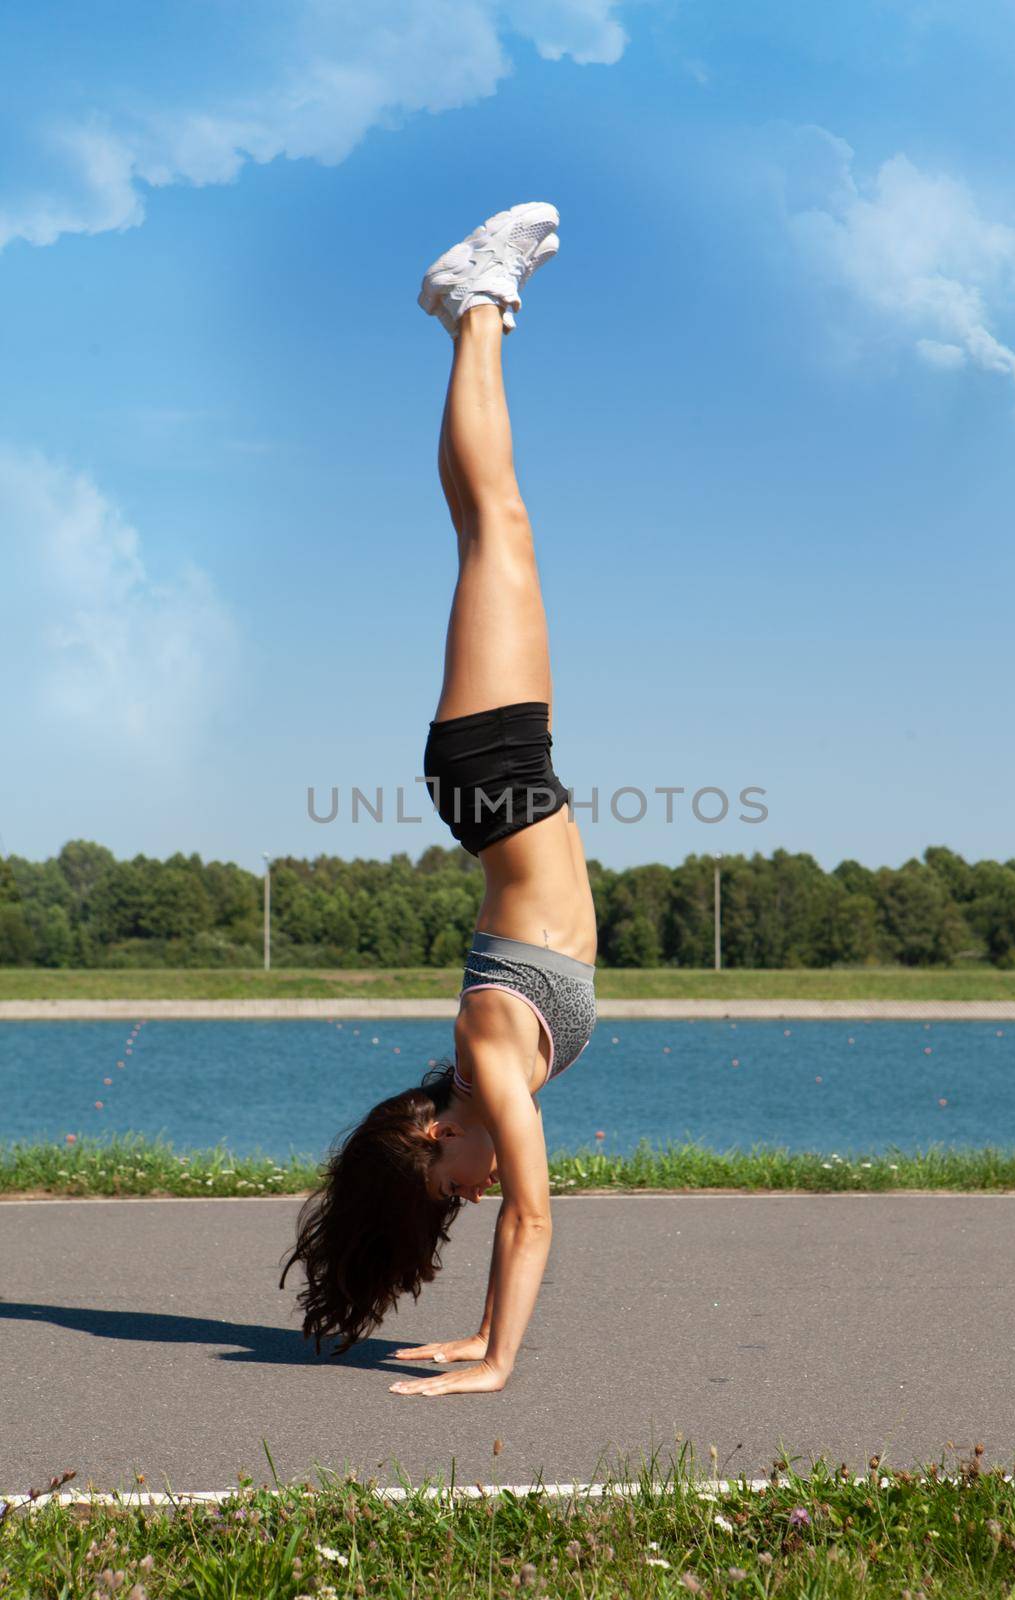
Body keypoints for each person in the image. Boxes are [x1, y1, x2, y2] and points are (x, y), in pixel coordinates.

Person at [280, 203, 598, 1397]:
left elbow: (533, 1217)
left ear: (425, 1133)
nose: (471, 1193)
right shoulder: (480, 1075)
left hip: (495, 782)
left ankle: (475, 306)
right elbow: (517, 1211)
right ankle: (473, 310)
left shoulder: (478, 1055)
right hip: (508, 784)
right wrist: (477, 1338)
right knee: (493, 528)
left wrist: (496, 1365)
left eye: (442, 1185)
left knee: (494, 527)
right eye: (459, 1196)